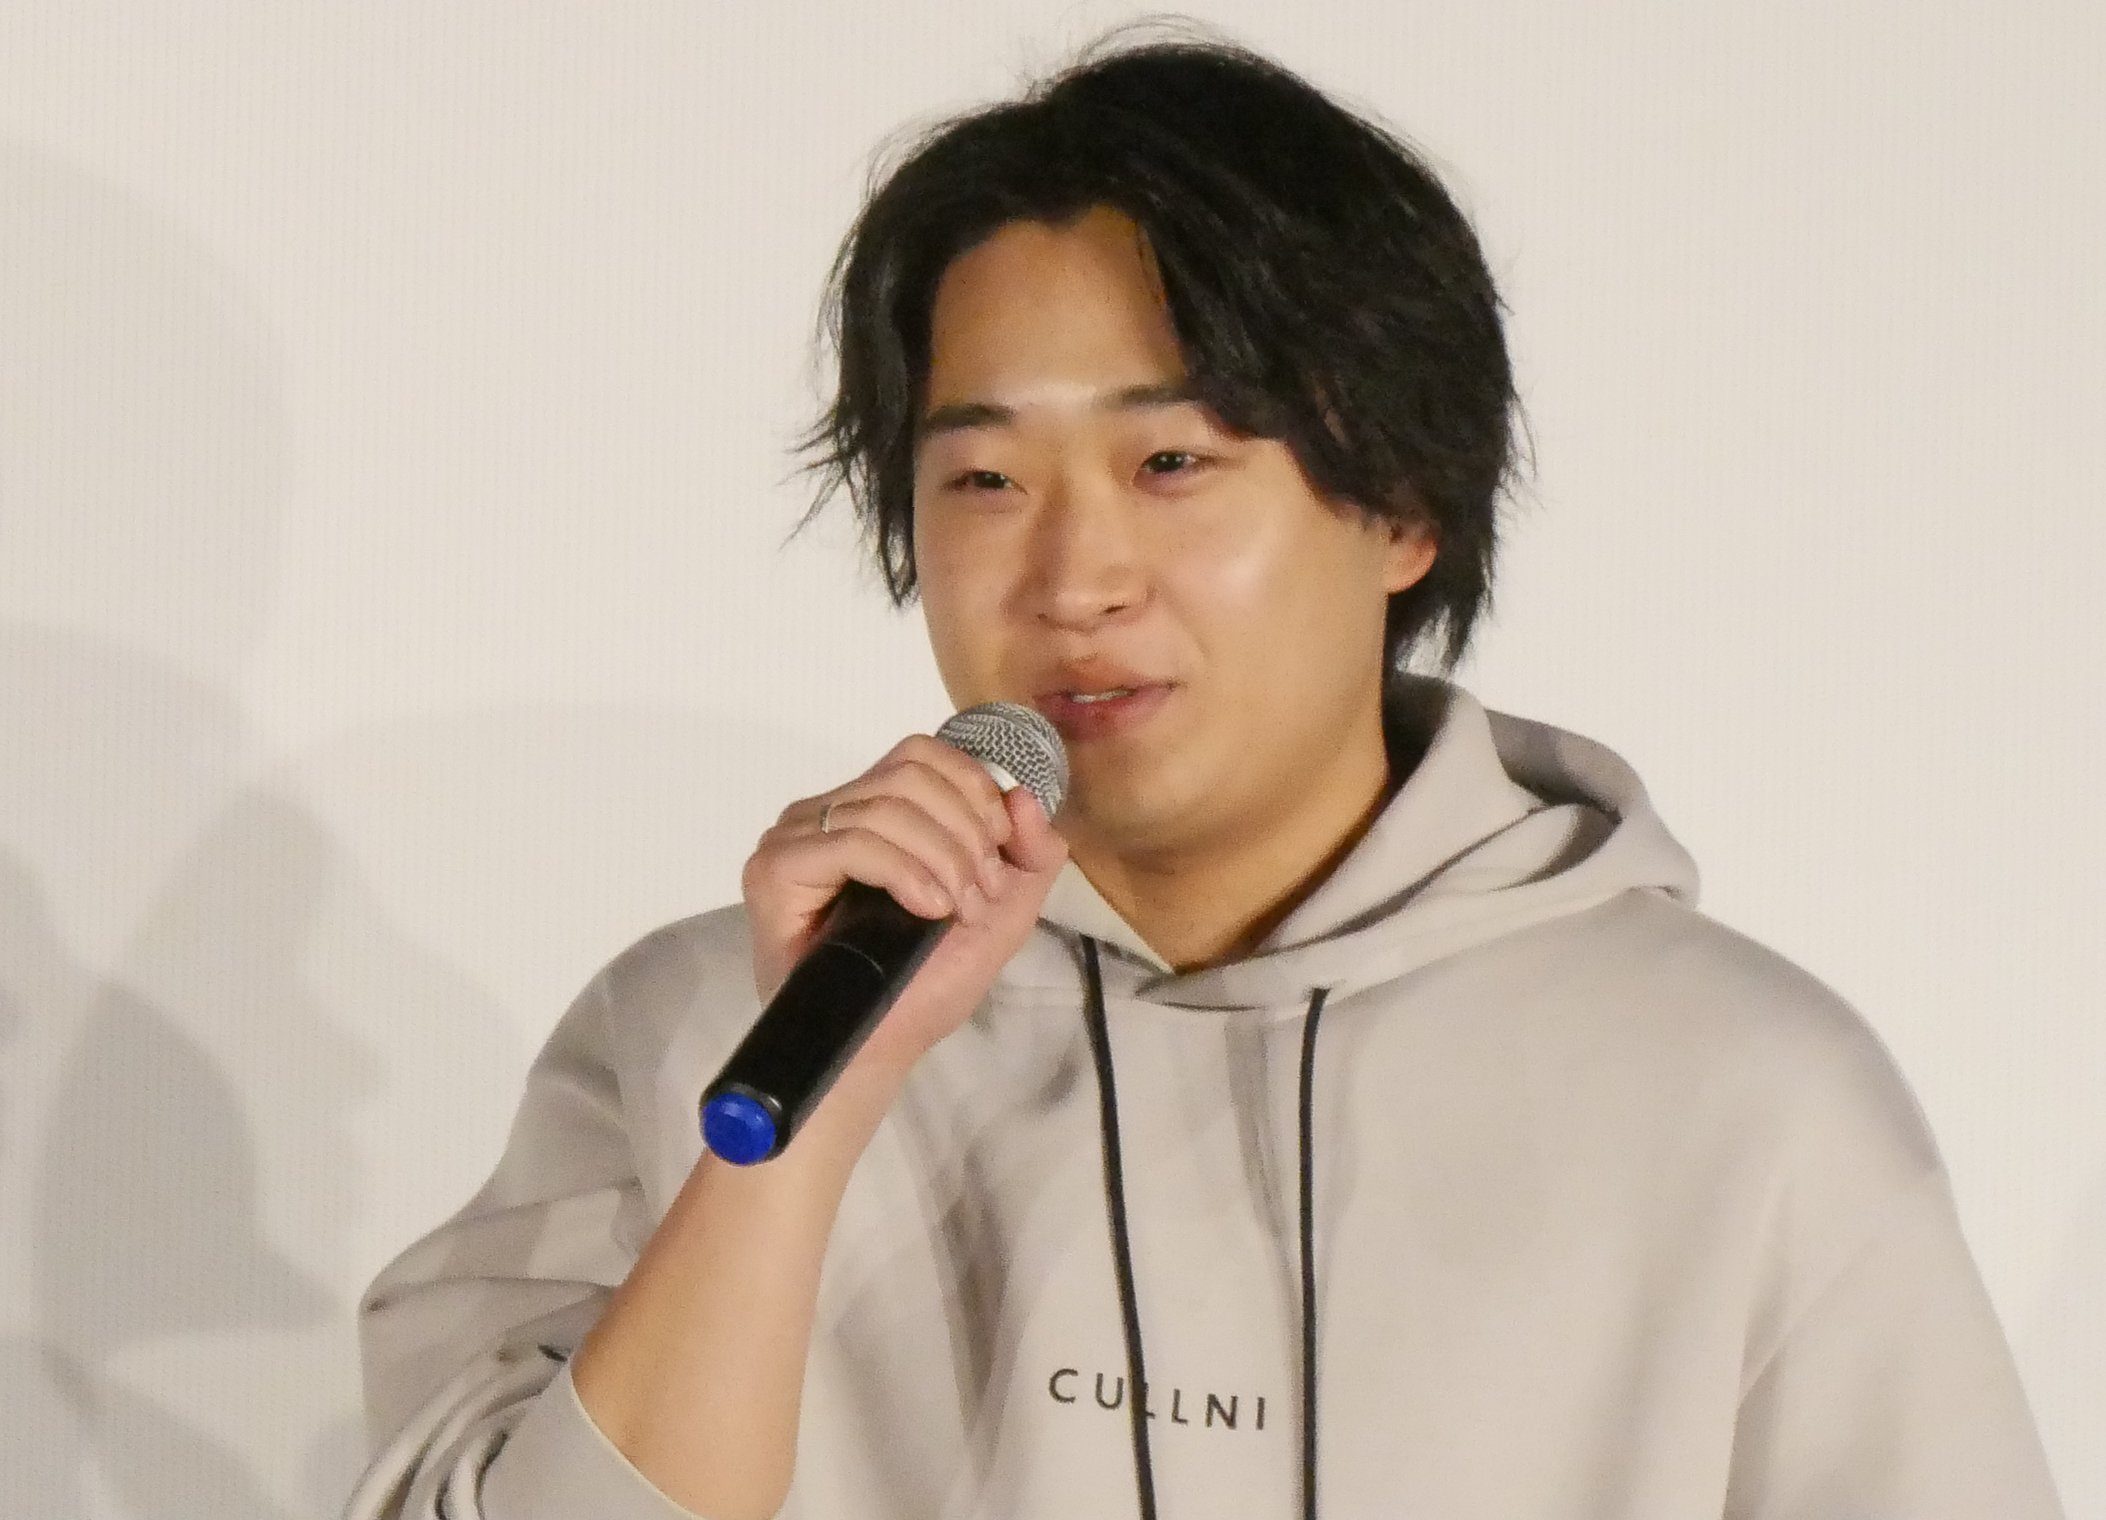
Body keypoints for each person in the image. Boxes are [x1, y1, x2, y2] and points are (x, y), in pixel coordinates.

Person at [344, 33, 2065, 1520]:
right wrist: (795, 1147)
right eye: (985, 481)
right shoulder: (707, 1041)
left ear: (1403, 508)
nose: (1073, 578)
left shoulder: (1736, 1095)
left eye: (1171, 461)